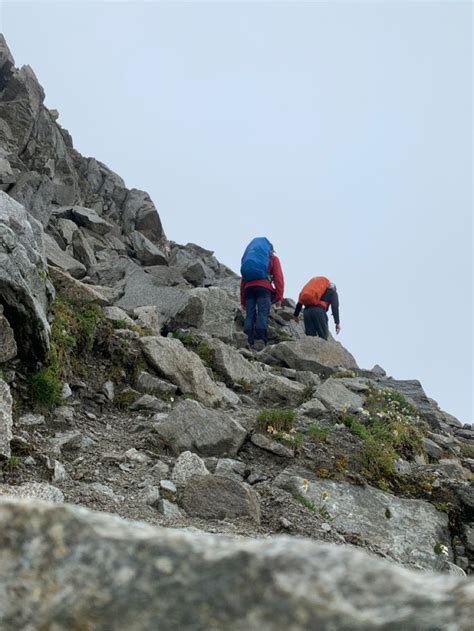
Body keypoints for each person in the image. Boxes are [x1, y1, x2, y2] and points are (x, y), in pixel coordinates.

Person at [240, 239, 284, 351]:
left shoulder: (250, 260)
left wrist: (242, 300)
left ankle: (246, 340)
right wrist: (279, 296)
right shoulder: (273, 259)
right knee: (262, 314)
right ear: (271, 250)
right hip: (264, 288)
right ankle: (260, 340)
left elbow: (243, 281)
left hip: (249, 288)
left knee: (250, 314)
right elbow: (278, 278)